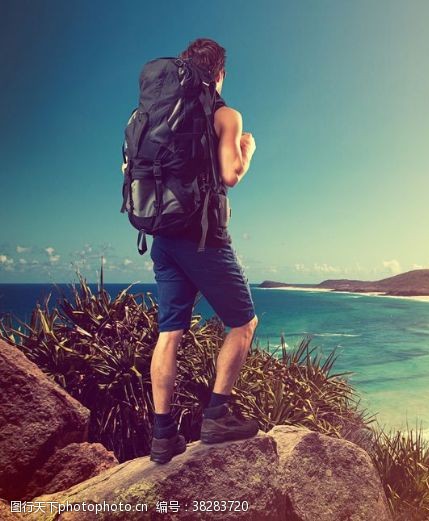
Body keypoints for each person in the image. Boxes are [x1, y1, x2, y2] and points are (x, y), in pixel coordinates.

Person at [123, 38, 260, 464]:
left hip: (161, 236)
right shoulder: (225, 115)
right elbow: (230, 175)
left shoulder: (148, 116)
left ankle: (163, 437)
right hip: (203, 239)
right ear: (219, 73)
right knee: (243, 323)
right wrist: (247, 150)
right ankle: (217, 415)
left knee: (170, 334)